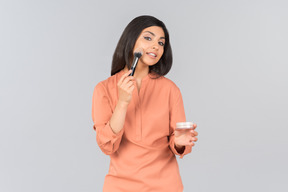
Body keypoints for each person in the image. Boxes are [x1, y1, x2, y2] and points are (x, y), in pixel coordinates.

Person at [92, 15, 198, 192]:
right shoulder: (103, 89)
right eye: (148, 38)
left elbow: (180, 143)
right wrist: (123, 102)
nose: (156, 46)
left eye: (161, 43)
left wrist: (180, 141)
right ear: (131, 40)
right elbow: (107, 145)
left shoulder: (170, 89)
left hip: (165, 186)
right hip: (120, 186)